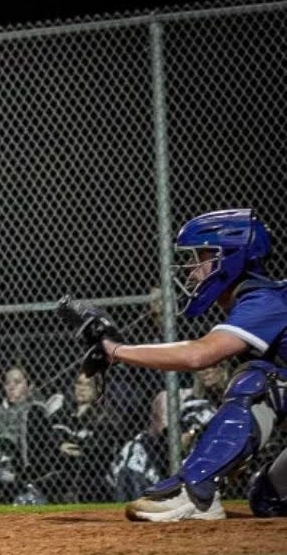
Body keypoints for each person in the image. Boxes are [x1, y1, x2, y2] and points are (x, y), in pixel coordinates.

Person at [100, 208, 287, 521]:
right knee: (268, 498)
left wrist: (115, 350)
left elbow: (197, 356)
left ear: (232, 258)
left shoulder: (266, 301)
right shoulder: (258, 302)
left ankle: (195, 491)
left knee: (258, 380)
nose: (190, 269)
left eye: (202, 256)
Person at [109, 362, 230, 501]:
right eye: (202, 367)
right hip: (187, 454)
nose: (206, 371)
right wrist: (192, 431)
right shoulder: (193, 400)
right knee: (135, 450)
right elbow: (180, 439)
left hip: (220, 455)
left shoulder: (233, 398)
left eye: (213, 366)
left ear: (223, 369)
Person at [26, 370, 122, 504]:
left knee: (80, 468)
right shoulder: (63, 413)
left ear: (97, 390)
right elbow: (48, 436)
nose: (81, 388)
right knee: (35, 413)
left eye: (87, 385)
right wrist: (60, 444)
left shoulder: (105, 418)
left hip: (89, 473)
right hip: (59, 465)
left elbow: (97, 449)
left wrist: (67, 443)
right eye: (78, 384)